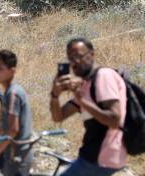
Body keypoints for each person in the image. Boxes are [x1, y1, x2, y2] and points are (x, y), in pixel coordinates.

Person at [50, 38, 126, 176]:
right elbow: (58, 117)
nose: (75, 62)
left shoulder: (103, 76)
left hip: (101, 156)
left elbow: (114, 119)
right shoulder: (86, 85)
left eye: (79, 56)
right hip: (93, 155)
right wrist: (55, 95)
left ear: (92, 54)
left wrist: (83, 102)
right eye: (71, 58)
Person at [0, 50, 33, 176]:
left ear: (12, 71)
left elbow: (12, 130)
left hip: (17, 154)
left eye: (0, 69)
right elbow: (3, 127)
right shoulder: (11, 91)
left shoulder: (12, 94)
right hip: (15, 153)